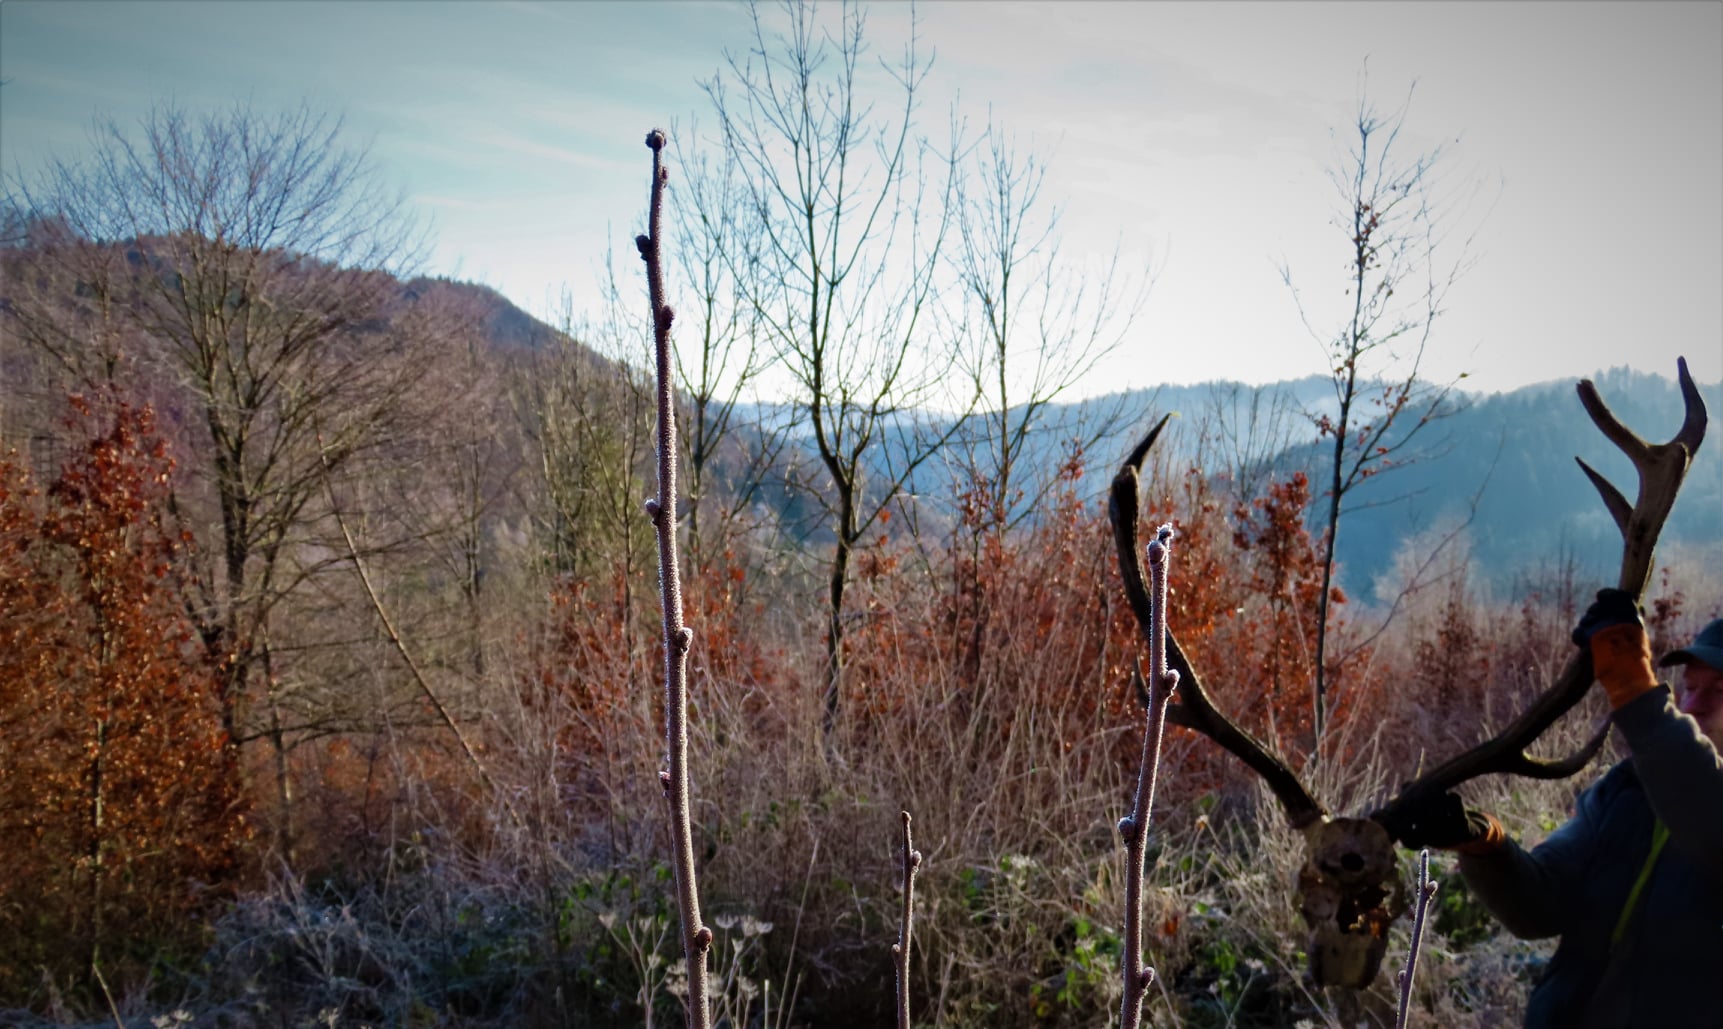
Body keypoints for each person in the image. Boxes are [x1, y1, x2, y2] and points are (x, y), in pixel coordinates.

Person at [1387, 590, 1723, 1028]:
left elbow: (1706, 813)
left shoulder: (1697, 799)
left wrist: (1634, 690)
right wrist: (1481, 843)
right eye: (1691, 687)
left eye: (1720, 690)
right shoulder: (1624, 791)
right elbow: (1541, 905)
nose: (1695, 704)